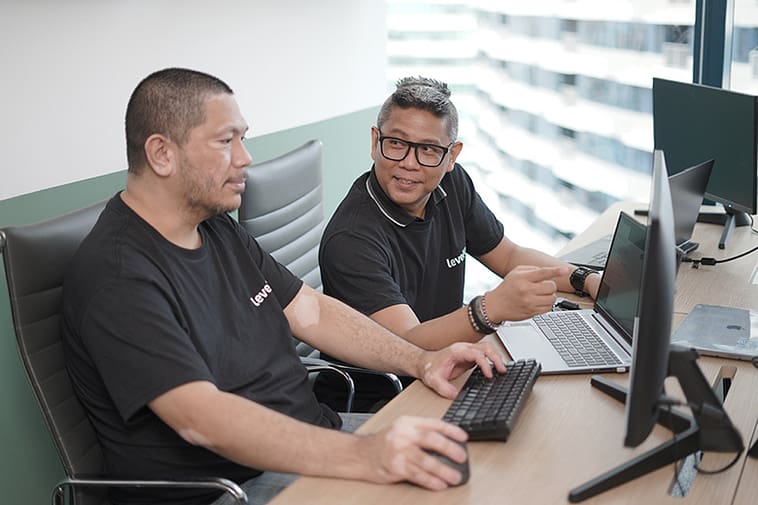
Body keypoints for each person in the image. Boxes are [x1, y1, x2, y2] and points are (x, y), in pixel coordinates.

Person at [61, 68, 508, 505]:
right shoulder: (119, 277)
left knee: (480, 468)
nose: (245, 158)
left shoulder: (215, 228)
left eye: (243, 138)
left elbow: (310, 310)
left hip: (310, 440)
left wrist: (422, 360)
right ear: (162, 154)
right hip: (229, 487)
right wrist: (365, 454)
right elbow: (202, 419)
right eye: (225, 141)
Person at [316, 76, 601, 411]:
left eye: (428, 150)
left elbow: (509, 256)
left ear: (452, 155)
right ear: (376, 140)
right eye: (396, 143)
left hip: (449, 366)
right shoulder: (351, 239)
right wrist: (490, 309)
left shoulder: (452, 184)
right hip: (386, 399)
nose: (409, 162)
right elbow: (408, 344)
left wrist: (585, 280)